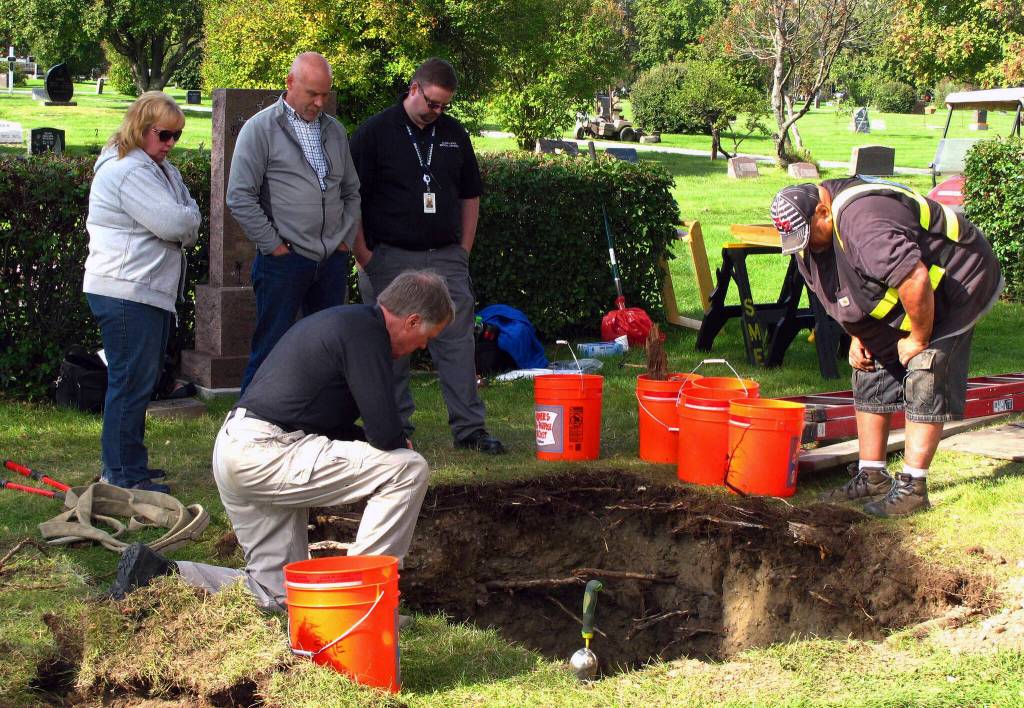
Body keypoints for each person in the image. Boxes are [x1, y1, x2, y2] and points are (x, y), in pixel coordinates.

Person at [109, 271, 453, 611]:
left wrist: (383, 440)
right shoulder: (368, 332)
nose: (423, 346)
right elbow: (384, 432)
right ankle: (361, 602)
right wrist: (399, 444)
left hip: (235, 447)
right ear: (411, 321)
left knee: (278, 593)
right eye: (427, 336)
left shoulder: (345, 323)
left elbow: (335, 425)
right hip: (267, 450)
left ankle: (157, 576)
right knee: (407, 470)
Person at [770, 177, 1003, 516]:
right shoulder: (813, 238)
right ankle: (872, 475)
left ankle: (913, 488)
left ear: (824, 211)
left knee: (926, 366)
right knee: (868, 365)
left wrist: (919, 338)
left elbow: (915, 278)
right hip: (910, 289)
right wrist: (858, 335)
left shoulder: (864, 222)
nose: (806, 248)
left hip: (959, 282)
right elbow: (837, 288)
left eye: (809, 236)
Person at [350, 58, 505, 455]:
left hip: (446, 256)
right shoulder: (374, 132)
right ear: (414, 88)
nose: (437, 112)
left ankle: (470, 430)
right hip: (390, 257)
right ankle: (393, 430)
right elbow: (351, 197)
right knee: (391, 345)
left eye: (444, 106)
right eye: (432, 103)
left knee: (456, 342)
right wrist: (364, 254)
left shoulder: (453, 134)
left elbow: (471, 194)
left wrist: (464, 249)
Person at [83, 91, 201, 493]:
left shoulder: (157, 169)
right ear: (141, 127)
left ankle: (130, 465)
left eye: (177, 137)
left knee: (137, 382)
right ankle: (120, 475)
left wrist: (185, 217)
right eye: (164, 134)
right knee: (130, 383)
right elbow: (177, 224)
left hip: (144, 291)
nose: (170, 144)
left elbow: (189, 215)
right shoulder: (128, 172)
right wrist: (185, 218)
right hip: (126, 291)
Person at [227, 52, 361, 393]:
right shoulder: (260, 128)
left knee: (330, 350)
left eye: (325, 94)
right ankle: (246, 429)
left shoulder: (335, 131)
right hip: (283, 261)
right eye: (312, 93)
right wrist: (274, 246)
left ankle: (317, 426)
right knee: (270, 349)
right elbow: (240, 196)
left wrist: (343, 240)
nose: (319, 102)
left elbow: (352, 192)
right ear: (290, 83)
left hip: (330, 259)